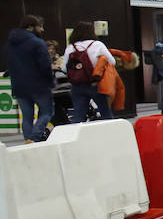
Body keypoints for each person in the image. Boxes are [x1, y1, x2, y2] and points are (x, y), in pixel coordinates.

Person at [5, 14, 54, 142]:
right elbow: (45, 66)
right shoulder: (37, 43)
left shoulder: (10, 44)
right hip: (38, 85)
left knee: (27, 116)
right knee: (47, 112)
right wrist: (50, 81)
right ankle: (34, 137)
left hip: (19, 86)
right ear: (31, 27)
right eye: (40, 27)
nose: (42, 30)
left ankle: (28, 140)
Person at [63, 21, 115, 122]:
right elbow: (112, 61)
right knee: (106, 113)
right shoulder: (97, 44)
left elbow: (64, 68)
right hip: (95, 84)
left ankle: (76, 136)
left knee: (78, 116)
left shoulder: (70, 47)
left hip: (77, 86)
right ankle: (110, 135)